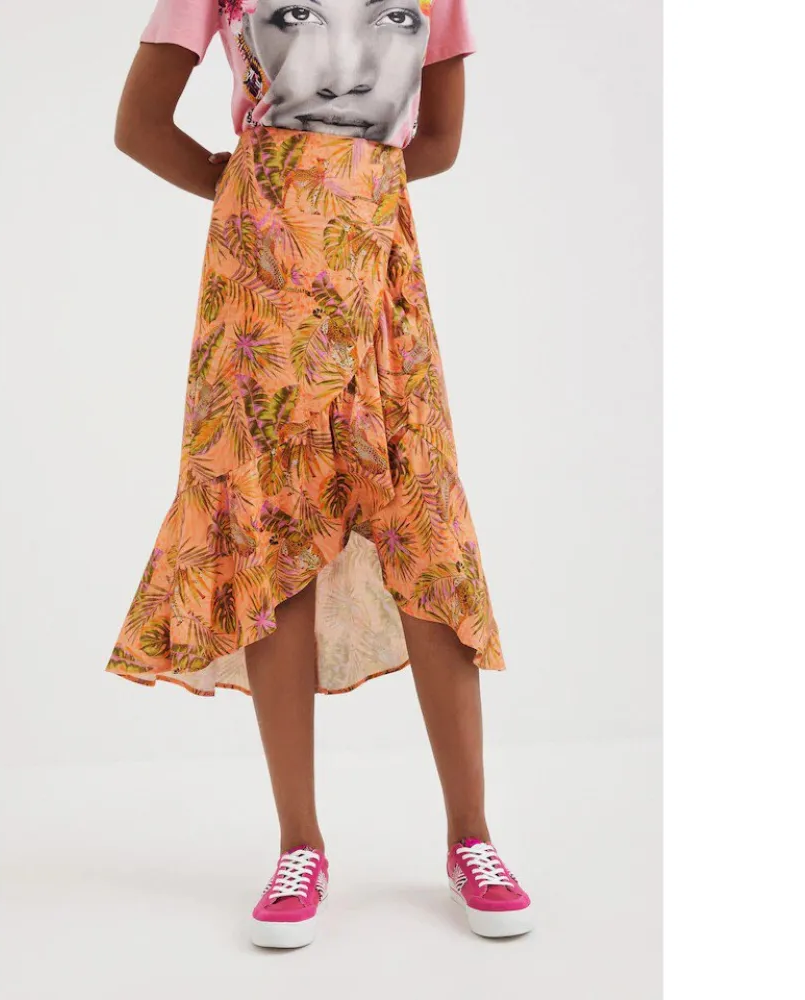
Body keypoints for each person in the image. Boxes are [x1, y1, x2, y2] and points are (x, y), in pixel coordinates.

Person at [107, 0, 533, 948]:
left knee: (425, 530)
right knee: (275, 535)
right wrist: (254, 186)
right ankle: (299, 845)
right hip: (262, 277)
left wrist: (351, 192)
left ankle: (472, 839)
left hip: (378, 269)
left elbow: (442, 140)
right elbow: (138, 125)